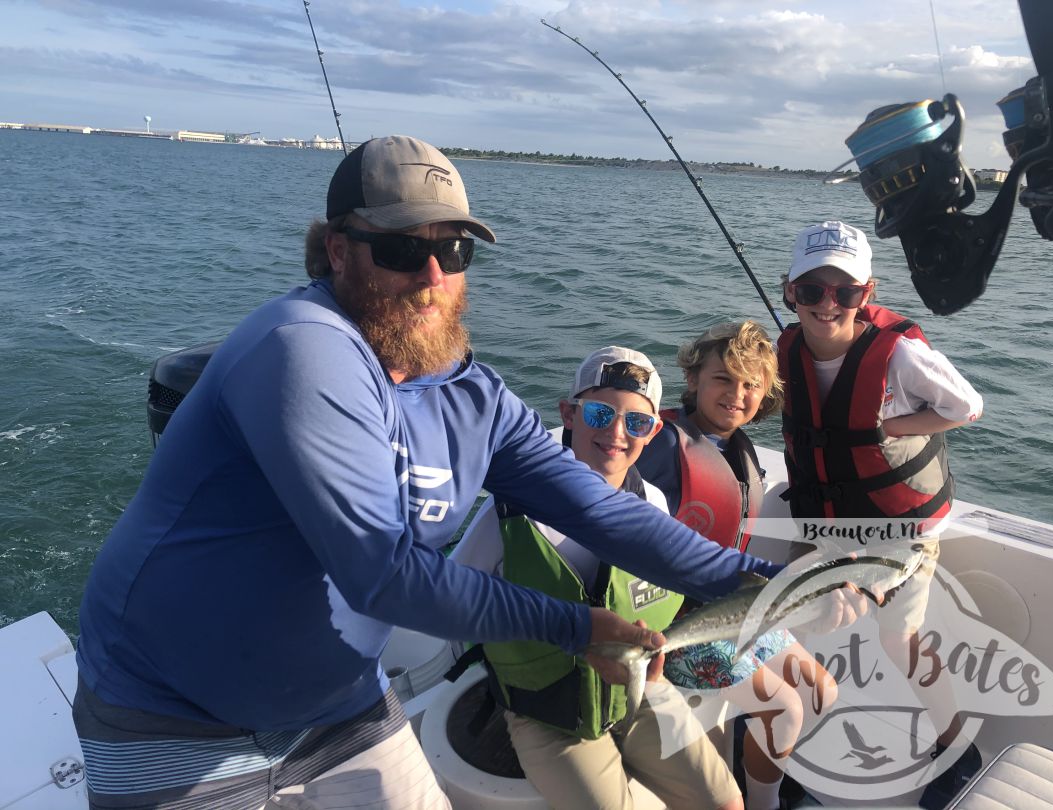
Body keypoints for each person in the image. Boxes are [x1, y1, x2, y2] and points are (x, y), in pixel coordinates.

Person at [72, 135, 811, 810]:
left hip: (339, 707)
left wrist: (760, 589)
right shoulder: (299, 347)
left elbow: (600, 510)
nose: (432, 275)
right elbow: (382, 574)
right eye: (399, 248)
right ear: (337, 250)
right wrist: (574, 626)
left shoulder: (472, 393)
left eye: (455, 250)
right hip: (170, 719)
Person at [452, 346, 744, 810]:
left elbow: (654, 596)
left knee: (725, 800)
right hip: (545, 711)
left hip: (637, 688)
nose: (615, 432)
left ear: (652, 434)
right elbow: (452, 601)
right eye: (599, 413)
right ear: (569, 413)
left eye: (636, 423)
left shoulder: (650, 502)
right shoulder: (509, 512)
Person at [775, 220, 985, 809]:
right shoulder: (783, 350)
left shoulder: (900, 356)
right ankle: (773, 751)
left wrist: (890, 426)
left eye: (844, 291)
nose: (827, 304)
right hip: (827, 520)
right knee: (774, 621)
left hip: (900, 532)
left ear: (867, 294)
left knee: (898, 641)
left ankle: (958, 747)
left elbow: (967, 406)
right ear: (790, 291)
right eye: (812, 289)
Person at [635, 322, 837, 810]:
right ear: (694, 380)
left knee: (821, 691)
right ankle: (764, 802)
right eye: (723, 378)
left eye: (751, 385)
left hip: (733, 602)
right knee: (785, 707)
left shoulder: (736, 449)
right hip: (681, 621)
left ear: (765, 395)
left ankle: (760, 772)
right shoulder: (661, 447)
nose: (736, 394)